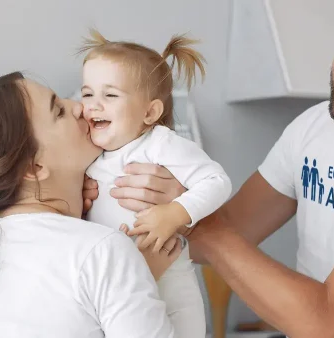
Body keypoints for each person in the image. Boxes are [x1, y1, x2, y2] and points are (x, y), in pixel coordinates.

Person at [83, 1, 334, 337]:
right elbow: (213, 238)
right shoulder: (317, 125)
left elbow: (327, 324)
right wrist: (115, 199)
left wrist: (189, 211)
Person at [0, 71, 182, 338]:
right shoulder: (101, 252)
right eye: (59, 111)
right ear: (34, 167)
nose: (78, 107)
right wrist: (137, 276)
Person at [79, 29, 232, 338]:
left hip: (170, 280)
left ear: (150, 112)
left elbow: (217, 181)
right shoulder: (89, 149)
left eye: (109, 95)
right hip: (118, 286)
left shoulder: (159, 143)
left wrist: (175, 213)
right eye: (86, 94)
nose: (94, 105)